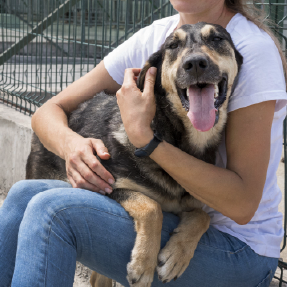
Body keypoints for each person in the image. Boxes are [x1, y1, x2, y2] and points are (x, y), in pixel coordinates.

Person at [0, 0, 287, 286]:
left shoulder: (253, 48)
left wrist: (146, 141)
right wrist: (71, 147)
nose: (195, 59)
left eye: (216, 42)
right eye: (177, 49)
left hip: (239, 249)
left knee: (52, 211)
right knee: (23, 196)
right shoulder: (157, 36)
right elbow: (46, 113)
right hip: (174, 217)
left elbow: (242, 205)